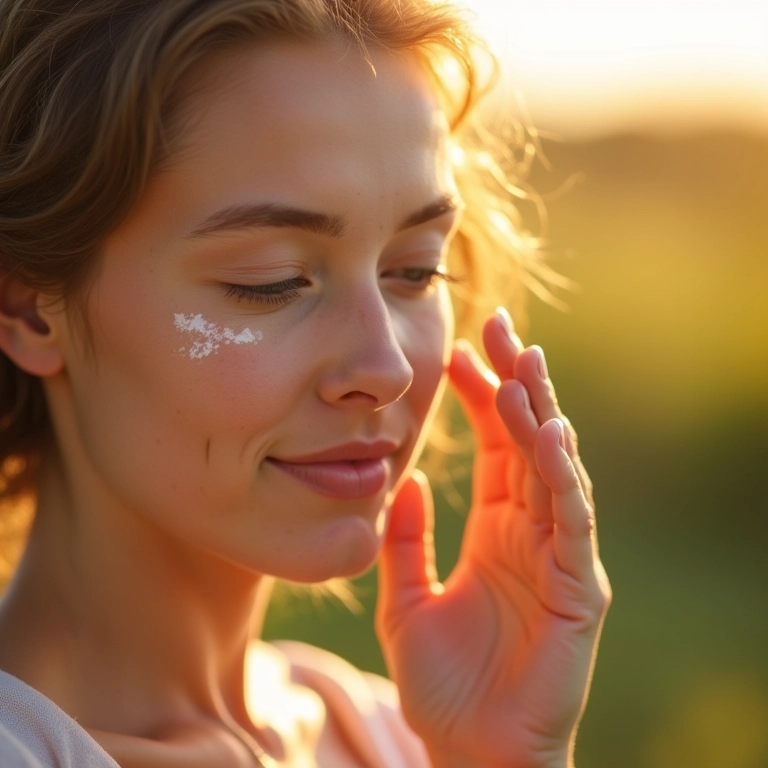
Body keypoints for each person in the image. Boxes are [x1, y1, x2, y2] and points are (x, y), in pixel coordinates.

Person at [0, 0, 611, 765]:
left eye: (415, 270)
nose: (385, 369)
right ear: (27, 305)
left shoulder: (389, 734)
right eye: (275, 281)